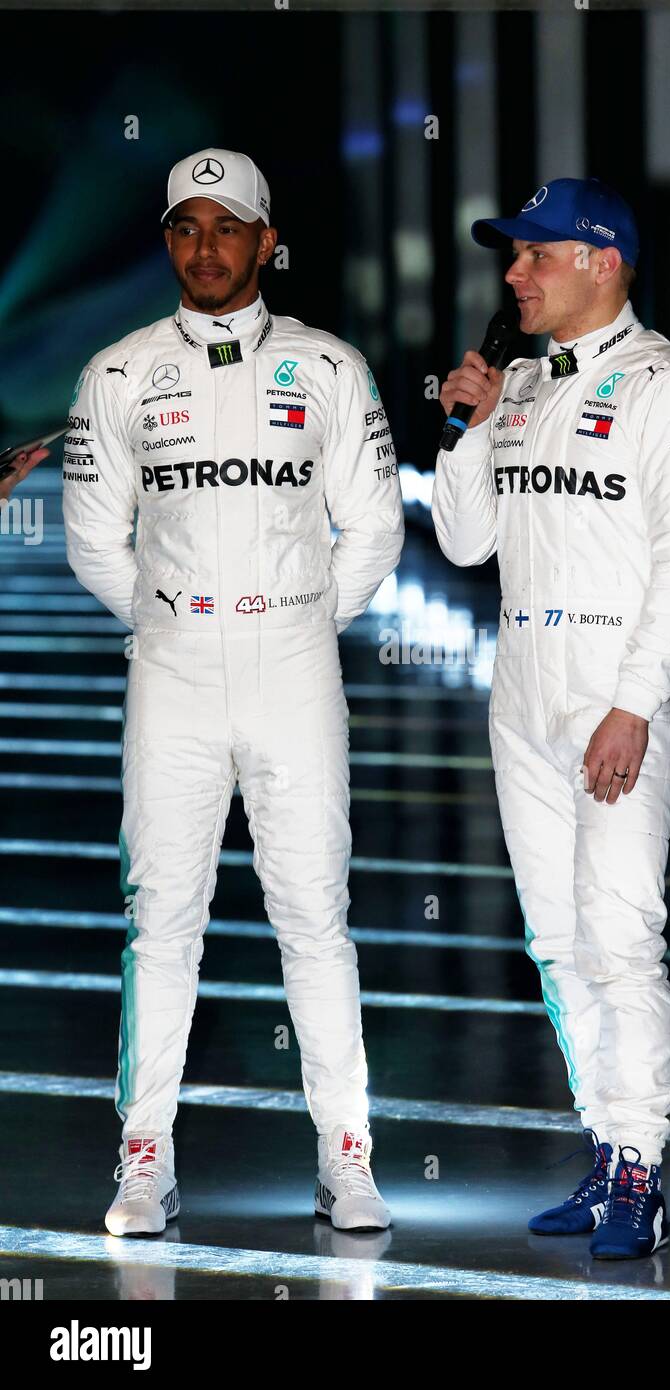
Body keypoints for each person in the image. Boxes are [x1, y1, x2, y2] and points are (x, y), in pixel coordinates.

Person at [62, 147, 404, 1236]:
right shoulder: (114, 374)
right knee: (160, 921)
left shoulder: (332, 368)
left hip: (293, 665)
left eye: (226, 227)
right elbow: (91, 543)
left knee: (316, 918)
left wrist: (296, 616)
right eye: (183, 227)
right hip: (172, 670)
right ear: (167, 240)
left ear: (266, 238)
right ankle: (143, 1159)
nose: (203, 248)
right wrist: (176, 622)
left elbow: (377, 529)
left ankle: (347, 1156)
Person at [432, 178, 670, 1259]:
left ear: (601, 260)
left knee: (617, 936)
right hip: (521, 683)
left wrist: (634, 703)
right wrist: (465, 427)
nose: (511, 273)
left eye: (532, 255)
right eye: (509, 257)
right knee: (556, 942)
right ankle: (603, 1148)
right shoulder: (515, 384)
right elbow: (465, 542)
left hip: (614, 683)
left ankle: (641, 1171)